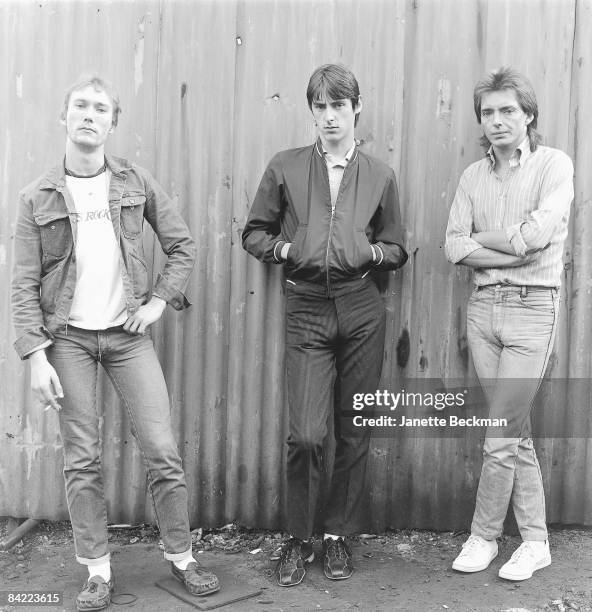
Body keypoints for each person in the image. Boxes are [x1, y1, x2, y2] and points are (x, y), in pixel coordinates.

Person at [11, 75, 219, 611]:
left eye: (100, 108)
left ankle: (181, 557)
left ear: (112, 122)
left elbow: (182, 246)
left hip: (127, 337)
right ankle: (97, 572)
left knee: (161, 448)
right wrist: (35, 356)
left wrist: (155, 304)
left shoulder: (134, 181)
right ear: (64, 117)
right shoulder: (37, 197)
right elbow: (23, 285)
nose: (88, 114)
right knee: (82, 458)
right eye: (79, 104)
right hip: (69, 340)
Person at [242, 63, 408, 587]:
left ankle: (337, 535)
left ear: (357, 108)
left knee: (353, 430)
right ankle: (297, 537)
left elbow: (398, 248)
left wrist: (371, 251)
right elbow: (254, 232)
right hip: (308, 306)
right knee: (307, 436)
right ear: (311, 111)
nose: (330, 116)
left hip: (361, 308)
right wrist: (288, 248)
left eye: (339, 105)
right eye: (320, 106)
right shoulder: (286, 166)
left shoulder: (380, 175)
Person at [445, 67, 574, 581]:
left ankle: (484, 536)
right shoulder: (473, 177)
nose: (497, 121)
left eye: (508, 111)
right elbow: (454, 244)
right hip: (483, 313)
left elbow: (539, 235)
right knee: (513, 431)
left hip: (532, 309)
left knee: (500, 432)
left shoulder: (553, 166)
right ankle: (537, 541)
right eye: (489, 112)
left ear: (528, 115)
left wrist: (491, 242)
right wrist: (512, 244)